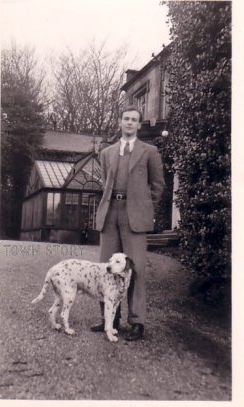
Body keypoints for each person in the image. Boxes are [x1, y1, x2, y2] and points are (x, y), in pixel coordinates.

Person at [91, 106, 165, 341]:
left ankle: (137, 323)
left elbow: (158, 185)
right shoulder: (107, 152)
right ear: (120, 122)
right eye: (126, 119)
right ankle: (109, 319)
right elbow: (106, 182)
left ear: (139, 125)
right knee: (106, 268)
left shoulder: (150, 151)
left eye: (134, 120)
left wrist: (145, 206)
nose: (130, 123)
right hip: (110, 213)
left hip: (135, 217)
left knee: (136, 270)